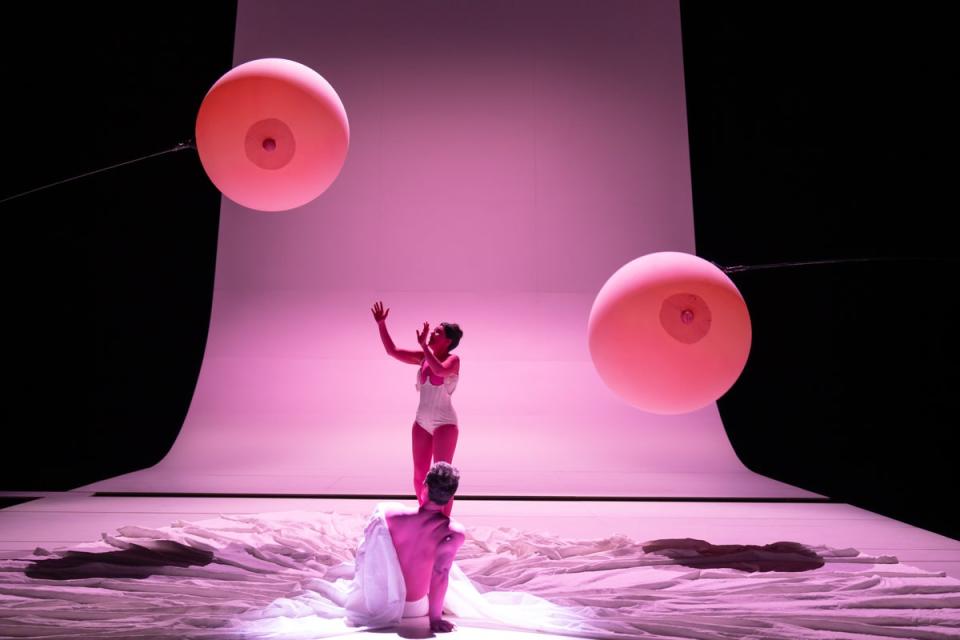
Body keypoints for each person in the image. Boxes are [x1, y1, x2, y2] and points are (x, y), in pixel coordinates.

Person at [346, 462, 465, 632]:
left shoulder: (388, 513)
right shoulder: (453, 532)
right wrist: (435, 619)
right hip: (413, 608)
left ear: (424, 486)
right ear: (451, 496)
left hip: (381, 602)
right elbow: (440, 574)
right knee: (446, 567)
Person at [371, 301, 463, 516]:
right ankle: (424, 516)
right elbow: (392, 351)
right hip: (421, 422)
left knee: (443, 478)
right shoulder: (423, 358)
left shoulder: (453, 359)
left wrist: (424, 346)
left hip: (445, 423)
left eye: (437, 333)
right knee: (419, 475)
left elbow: (440, 371)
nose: (431, 334)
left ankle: (442, 522)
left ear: (448, 341)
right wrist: (382, 324)